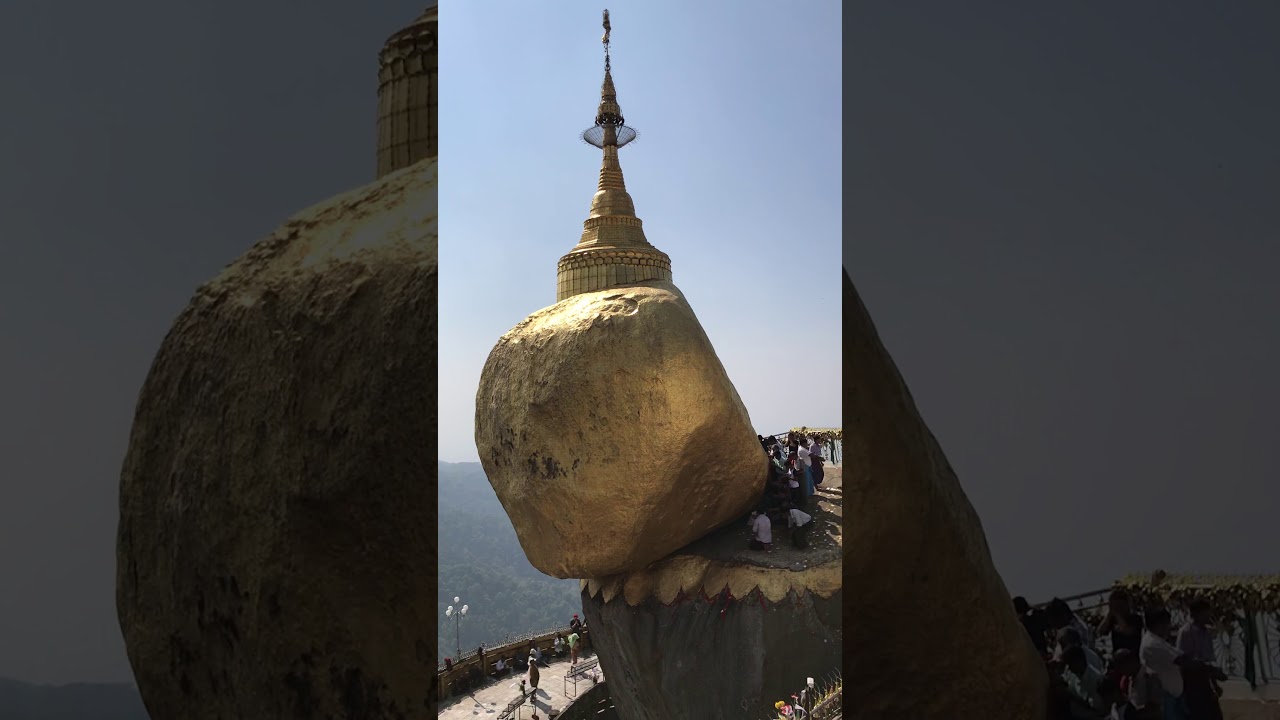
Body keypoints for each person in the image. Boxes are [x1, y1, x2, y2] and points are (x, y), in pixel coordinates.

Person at [1140, 608, 1196, 720]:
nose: (1169, 626)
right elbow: (1181, 660)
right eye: (1167, 623)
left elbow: (1180, 655)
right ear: (1158, 624)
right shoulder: (1152, 644)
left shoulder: (1159, 641)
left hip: (1173, 696)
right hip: (1165, 698)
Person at [1177, 600, 1225, 720]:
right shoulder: (1185, 632)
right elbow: (1183, 661)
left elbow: (1208, 661)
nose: (1208, 617)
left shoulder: (1206, 632)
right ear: (1196, 614)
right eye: (1205, 614)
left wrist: (1214, 685)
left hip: (1205, 679)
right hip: (1191, 682)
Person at [1061, 645, 1108, 719]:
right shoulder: (1073, 674)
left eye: (1071, 664)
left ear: (1079, 661)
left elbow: (1098, 709)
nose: (1069, 668)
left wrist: (1073, 698)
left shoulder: (1096, 679)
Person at [1098, 590, 1145, 655]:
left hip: (1133, 655)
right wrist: (1109, 615)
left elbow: (1128, 632)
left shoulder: (1136, 618)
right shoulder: (1112, 619)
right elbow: (1101, 631)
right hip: (1118, 656)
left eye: (1120, 605)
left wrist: (1117, 615)